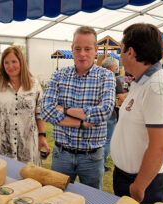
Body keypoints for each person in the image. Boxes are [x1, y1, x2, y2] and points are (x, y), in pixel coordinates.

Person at [110, 23, 163, 204]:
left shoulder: (157, 87)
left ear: (131, 52)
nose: (120, 55)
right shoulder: (142, 82)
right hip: (128, 178)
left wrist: (139, 186)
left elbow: (160, 146)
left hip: (141, 184)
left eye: (121, 49)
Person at [41, 26, 116, 190]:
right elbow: (45, 110)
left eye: (87, 49)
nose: (82, 53)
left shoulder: (106, 75)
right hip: (62, 154)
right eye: (78, 49)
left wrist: (64, 109)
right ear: (72, 50)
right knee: (55, 200)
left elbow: (104, 112)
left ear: (96, 50)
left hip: (92, 157)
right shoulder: (59, 75)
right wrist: (82, 122)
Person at [0, 46, 50, 165]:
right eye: (6, 62)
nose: (10, 66)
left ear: (21, 62)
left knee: (28, 179)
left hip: (28, 145)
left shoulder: (34, 84)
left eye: (14, 61)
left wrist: (42, 136)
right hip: (2, 145)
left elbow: (39, 112)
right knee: (2, 177)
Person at [101, 57, 127, 171]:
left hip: (96, 114)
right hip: (110, 114)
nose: (117, 68)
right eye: (116, 66)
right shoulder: (114, 78)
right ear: (111, 67)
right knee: (107, 140)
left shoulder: (97, 76)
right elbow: (122, 97)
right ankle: (101, 165)